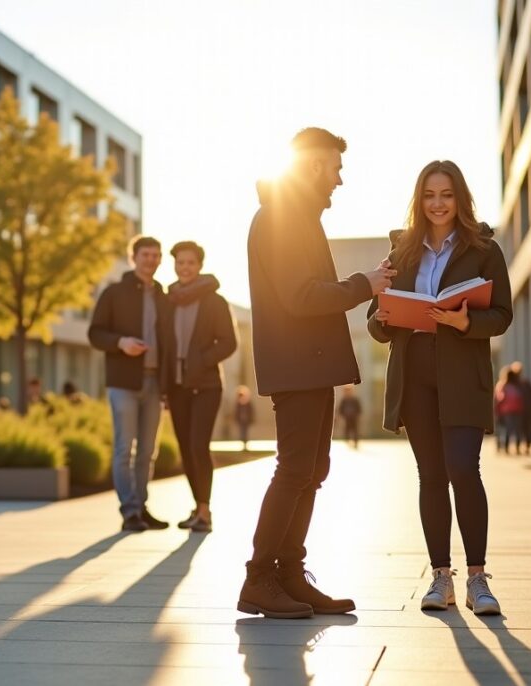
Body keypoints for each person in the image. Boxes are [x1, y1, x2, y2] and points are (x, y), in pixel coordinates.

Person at [239, 127, 394, 619]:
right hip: (296, 366)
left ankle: (288, 575)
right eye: (335, 168)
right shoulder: (281, 219)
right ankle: (259, 579)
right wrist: (363, 284)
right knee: (294, 470)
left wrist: (363, 284)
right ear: (310, 167)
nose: (339, 180)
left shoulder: (299, 218)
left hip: (310, 366)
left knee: (311, 471)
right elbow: (301, 296)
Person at [368, 159, 513, 616]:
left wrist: (466, 320)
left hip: (462, 375)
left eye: (446, 195)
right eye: (429, 195)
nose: (437, 204)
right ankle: (440, 578)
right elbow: (376, 324)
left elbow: (503, 314)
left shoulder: (484, 248)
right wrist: (384, 316)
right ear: (419, 199)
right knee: (430, 476)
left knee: (463, 470)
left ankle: (477, 579)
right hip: (414, 377)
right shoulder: (401, 252)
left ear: (459, 198)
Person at [89, 235, 174, 533]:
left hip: (154, 383)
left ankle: (141, 506)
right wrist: (121, 342)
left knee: (148, 450)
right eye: (145, 254)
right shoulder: (114, 292)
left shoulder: (164, 297)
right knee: (125, 448)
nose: (150, 260)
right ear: (133, 257)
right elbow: (94, 334)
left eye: (155, 255)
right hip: (123, 382)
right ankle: (129, 511)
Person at [166, 240, 238, 534]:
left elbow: (229, 343)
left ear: (200, 265)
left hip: (206, 384)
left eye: (190, 263)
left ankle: (205, 512)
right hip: (177, 386)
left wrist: (200, 360)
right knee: (185, 449)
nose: (185, 268)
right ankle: (197, 507)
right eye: (180, 262)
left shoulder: (214, 301)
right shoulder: (167, 300)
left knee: (198, 445)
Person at [511, 361, 531, 455]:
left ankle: (520, 446)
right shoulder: (525, 383)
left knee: (521, 429)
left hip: (520, 410)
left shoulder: (515, 384)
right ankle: (525, 446)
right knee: (527, 429)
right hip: (526, 410)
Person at [494, 366, 524, 455]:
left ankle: (506, 448)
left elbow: (499, 399)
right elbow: (520, 398)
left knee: (508, 429)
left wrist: (497, 410)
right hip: (516, 410)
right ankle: (516, 447)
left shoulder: (502, 385)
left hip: (506, 411)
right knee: (516, 430)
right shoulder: (517, 386)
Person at [234, 386, 254, 450]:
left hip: (246, 421)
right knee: (242, 432)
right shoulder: (238, 404)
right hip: (241, 421)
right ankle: (243, 445)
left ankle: (245, 445)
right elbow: (236, 413)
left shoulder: (248, 403)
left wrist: (251, 419)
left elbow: (251, 412)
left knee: (245, 433)